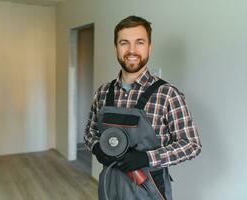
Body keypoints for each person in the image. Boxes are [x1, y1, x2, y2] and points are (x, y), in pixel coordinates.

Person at [84, 15, 201, 200]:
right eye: (124, 43)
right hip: (109, 187)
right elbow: (90, 133)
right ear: (116, 47)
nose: (132, 50)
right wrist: (97, 147)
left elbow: (191, 145)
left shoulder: (167, 94)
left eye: (139, 42)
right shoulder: (103, 92)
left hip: (148, 189)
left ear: (149, 47)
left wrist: (147, 158)